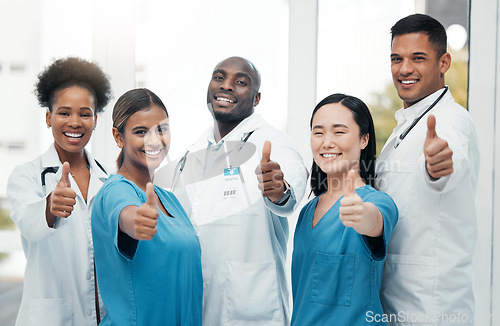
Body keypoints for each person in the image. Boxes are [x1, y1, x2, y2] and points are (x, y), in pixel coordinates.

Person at [155, 56, 308, 325]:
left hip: (253, 308)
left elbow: (290, 184)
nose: (226, 86)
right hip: (199, 304)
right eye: (219, 77)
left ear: (257, 98)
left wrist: (279, 189)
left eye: (240, 82)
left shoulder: (271, 142)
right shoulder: (192, 152)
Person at [377, 14, 480, 325]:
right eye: (397, 58)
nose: (404, 69)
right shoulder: (404, 128)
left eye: (417, 58)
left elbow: (450, 161)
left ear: (444, 62)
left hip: (433, 309)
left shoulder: (449, 119)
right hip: (395, 303)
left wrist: (439, 167)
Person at [6, 57, 111, 325]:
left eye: (84, 114)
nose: (75, 122)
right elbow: (30, 223)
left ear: (96, 120)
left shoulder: (108, 181)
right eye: (64, 113)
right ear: (48, 117)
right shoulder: (27, 175)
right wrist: (50, 206)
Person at [91, 88, 202, 326]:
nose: (154, 140)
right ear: (119, 137)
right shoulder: (116, 190)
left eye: (161, 129)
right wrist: (135, 221)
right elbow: (125, 213)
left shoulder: (169, 200)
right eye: (141, 132)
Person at [290, 93, 398, 325]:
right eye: (318, 132)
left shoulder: (378, 202)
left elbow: (374, 220)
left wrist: (361, 215)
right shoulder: (307, 211)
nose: (327, 142)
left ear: (364, 139)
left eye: (339, 131)